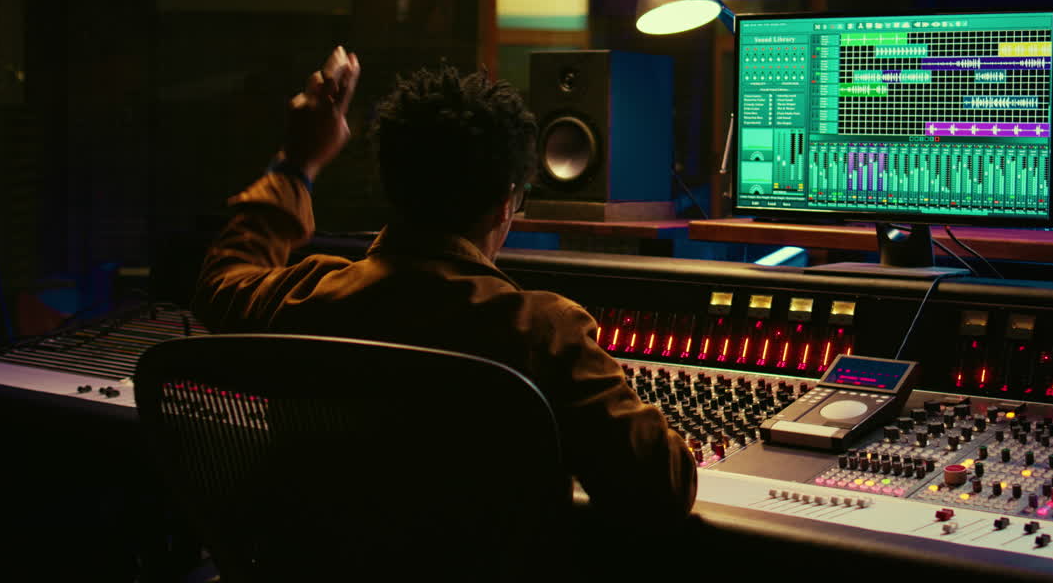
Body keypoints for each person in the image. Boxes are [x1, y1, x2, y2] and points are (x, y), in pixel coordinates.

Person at [191, 46, 697, 523]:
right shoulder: (542, 332)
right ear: (506, 202)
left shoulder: (310, 298)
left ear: (391, 182)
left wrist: (298, 162)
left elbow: (222, 281)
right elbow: (660, 487)